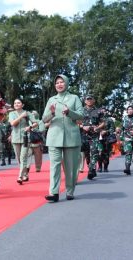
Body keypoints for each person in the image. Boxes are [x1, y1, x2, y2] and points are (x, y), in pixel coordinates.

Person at [42, 74, 83, 202]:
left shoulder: (74, 98)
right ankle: (53, 193)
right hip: (54, 136)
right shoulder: (51, 99)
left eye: (62, 82)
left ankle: (70, 191)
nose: (59, 84)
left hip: (71, 136)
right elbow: (44, 119)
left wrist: (69, 112)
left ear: (66, 83)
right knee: (54, 166)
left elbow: (81, 116)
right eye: (57, 83)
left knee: (70, 168)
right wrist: (52, 113)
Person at [9, 98, 38, 184]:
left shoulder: (28, 113)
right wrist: (21, 116)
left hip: (26, 137)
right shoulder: (11, 113)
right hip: (15, 138)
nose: (16, 104)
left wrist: (30, 127)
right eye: (15, 103)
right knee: (19, 159)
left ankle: (20, 176)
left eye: (18, 103)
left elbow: (35, 122)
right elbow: (13, 123)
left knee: (23, 157)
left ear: (22, 105)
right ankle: (25, 174)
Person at [80, 94, 104, 180]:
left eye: (91, 99)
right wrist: (82, 126)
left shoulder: (99, 111)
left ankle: (90, 170)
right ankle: (92, 168)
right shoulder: (80, 111)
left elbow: (103, 122)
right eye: (88, 99)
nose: (89, 100)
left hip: (94, 135)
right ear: (85, 101)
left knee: (94, 152)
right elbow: (76, 122)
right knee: (87, 155)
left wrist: (97, 127)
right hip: (84, 135)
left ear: (94, 100)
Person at [98, 108, 115, 172]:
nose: (102, 112)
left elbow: (112, 129)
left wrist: (106, 131)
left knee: (106, 153)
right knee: (99, 152)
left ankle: (105, 167)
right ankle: (99, 167)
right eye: (101, 110)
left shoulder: (109, 119)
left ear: (106, 112)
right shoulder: (97, 119)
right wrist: (99, 131)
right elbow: (94, 126)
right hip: (98, 138)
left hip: (107, 139)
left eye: (104, 111)